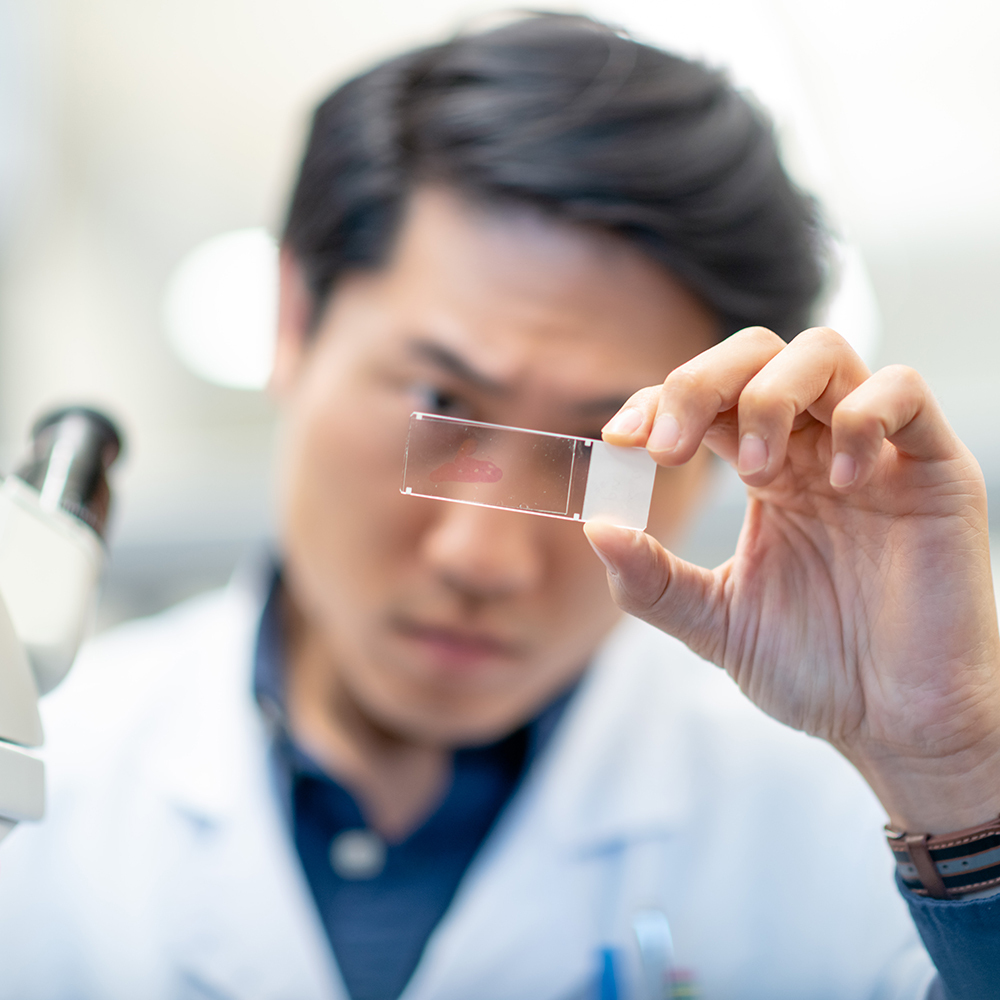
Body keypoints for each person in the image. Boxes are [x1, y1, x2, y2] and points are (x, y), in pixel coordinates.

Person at [1, 12, 998, 1000]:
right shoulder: (49, 785)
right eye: (440, 407)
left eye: (609, 449)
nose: (485, 559)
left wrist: (948, 759)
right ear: (293, 321)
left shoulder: (866, 835)